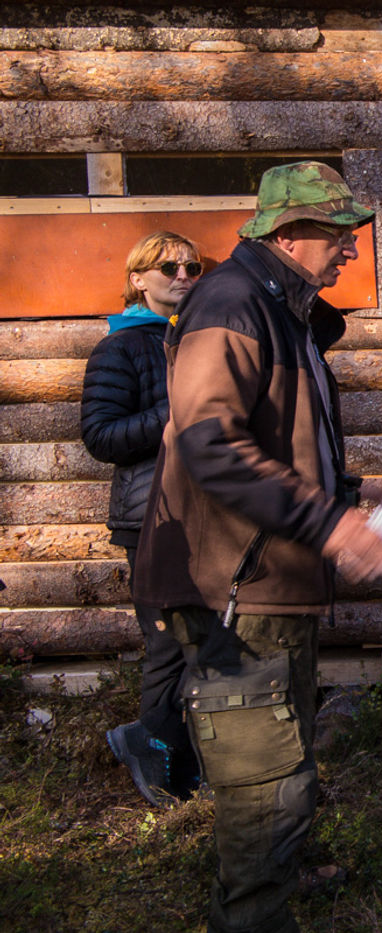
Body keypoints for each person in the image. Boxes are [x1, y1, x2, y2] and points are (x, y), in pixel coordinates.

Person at [133, 161, 382, 933]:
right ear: (290, 234)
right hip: (234, 590)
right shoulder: (231, 302)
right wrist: (327, 524)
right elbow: (211, 442)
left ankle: (282, 871)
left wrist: (348, 503)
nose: (351, 247)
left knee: (285, 753)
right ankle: (252, 912)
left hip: (272, 582)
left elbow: (290, 438)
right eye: (338, 233)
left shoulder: (284, 308)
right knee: (262, 784)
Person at [84, 232, 203, 806]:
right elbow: (101, 437)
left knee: (203, 640)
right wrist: (174, 412)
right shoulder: (121, 348)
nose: (182, 275)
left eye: (192, 267)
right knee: (166, 646)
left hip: (203, 514)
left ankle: (180, 754)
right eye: (167, 267)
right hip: (149, 517)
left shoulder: (196, 337)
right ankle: (151, 750)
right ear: (138, 278)